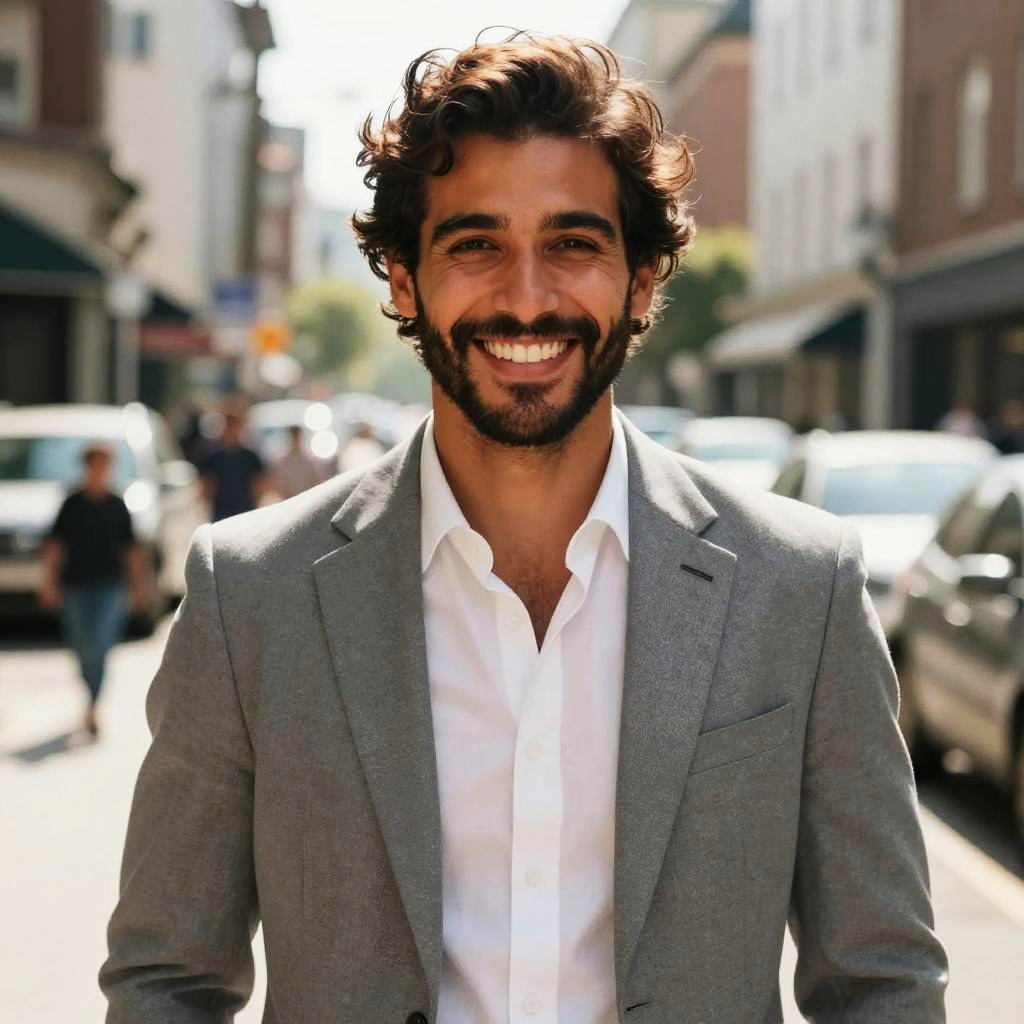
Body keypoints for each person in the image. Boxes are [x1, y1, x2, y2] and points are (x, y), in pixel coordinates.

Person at [102, 34, 948, 1023]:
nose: (527, 297)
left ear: (641, 280)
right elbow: (168, 979)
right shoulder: (252, 596)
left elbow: (881, 982)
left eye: (573, 243)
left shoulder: (798, 587)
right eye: (476, 245)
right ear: (404, 279)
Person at [38, 442, 150, 737]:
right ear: (86, 467)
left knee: (100, 643)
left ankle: (93, 705)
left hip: (110, 586)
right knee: (81, 645)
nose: (100, 472)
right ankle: (90, 693)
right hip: (75, 585)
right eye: (95, 466)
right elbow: (55, 546)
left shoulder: (117, 505)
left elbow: (131, 550)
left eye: (104, 466)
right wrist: (49, 582)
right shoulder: (72, 504)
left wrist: (139, 587)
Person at [198, 404, 267, 521]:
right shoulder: (213, 458)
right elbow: (207, 487)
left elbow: (260, 485)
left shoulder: (251, 457)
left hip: (245, 513)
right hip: (221, 515)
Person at [270, 424, 325, 500]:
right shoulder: (283, 462)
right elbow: (280, 487)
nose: (295, 439)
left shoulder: (309, 461)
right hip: (290, 501)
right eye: (294, 436)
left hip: (306, 499)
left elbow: (317, 482)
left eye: (297, 436)